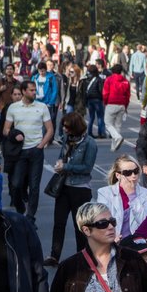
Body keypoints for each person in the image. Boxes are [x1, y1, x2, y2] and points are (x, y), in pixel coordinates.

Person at [44, 112, 97, 267]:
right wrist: (60, 163)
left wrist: (66, 166)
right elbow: (63, 156)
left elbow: (87, 168)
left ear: (76, 127)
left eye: (67, 127)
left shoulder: (89, 143)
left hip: (80, 189)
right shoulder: (67, 139)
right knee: (59, 222)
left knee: (79, 225)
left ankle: (82, 256)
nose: (65, 130)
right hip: (64, 186)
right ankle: (54, 256)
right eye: (64, 127)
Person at [3, 80, 54, 225]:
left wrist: (41, 145)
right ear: (24, 91)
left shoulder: (42, 107)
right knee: (16, 184)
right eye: (31, 90)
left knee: (34, 185)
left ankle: (30, 217)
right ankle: (20, 210)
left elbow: (50, 129)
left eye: (34, 90)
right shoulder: (13, 108)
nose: (34, 93)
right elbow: (5, 130)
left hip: (36, 151)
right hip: (20, 152)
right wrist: (14, 134)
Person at [96, 155, 147, 240]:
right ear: (118, 175)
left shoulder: (146, 194)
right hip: (112, 242)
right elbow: (102, 222)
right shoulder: (105, 193)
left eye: (136, 171)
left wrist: (133, 196)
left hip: (136, 243)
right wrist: (112, 238)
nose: (133, 176)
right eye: (128, 173)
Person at [102, 64, 129, 151]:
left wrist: (105, 102)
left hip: (111, 103)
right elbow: (128, 95)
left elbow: (105, 92)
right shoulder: (125, 81)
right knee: (118, 125)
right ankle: (114, 146)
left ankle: (117, 137)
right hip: (122, 104)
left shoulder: (109, 79)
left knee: (108, 123)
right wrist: (126, 106)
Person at [31, 62, 59, 127]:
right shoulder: (34, 78)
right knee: (37, 121)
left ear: (46, 70)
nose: (41, 73)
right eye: (40, 71)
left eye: (43, 71)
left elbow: (54, 90)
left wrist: (50, 102)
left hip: (47, 103)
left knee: (47, 122)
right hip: (37, 102)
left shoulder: (51, 77)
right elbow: (30, 88)